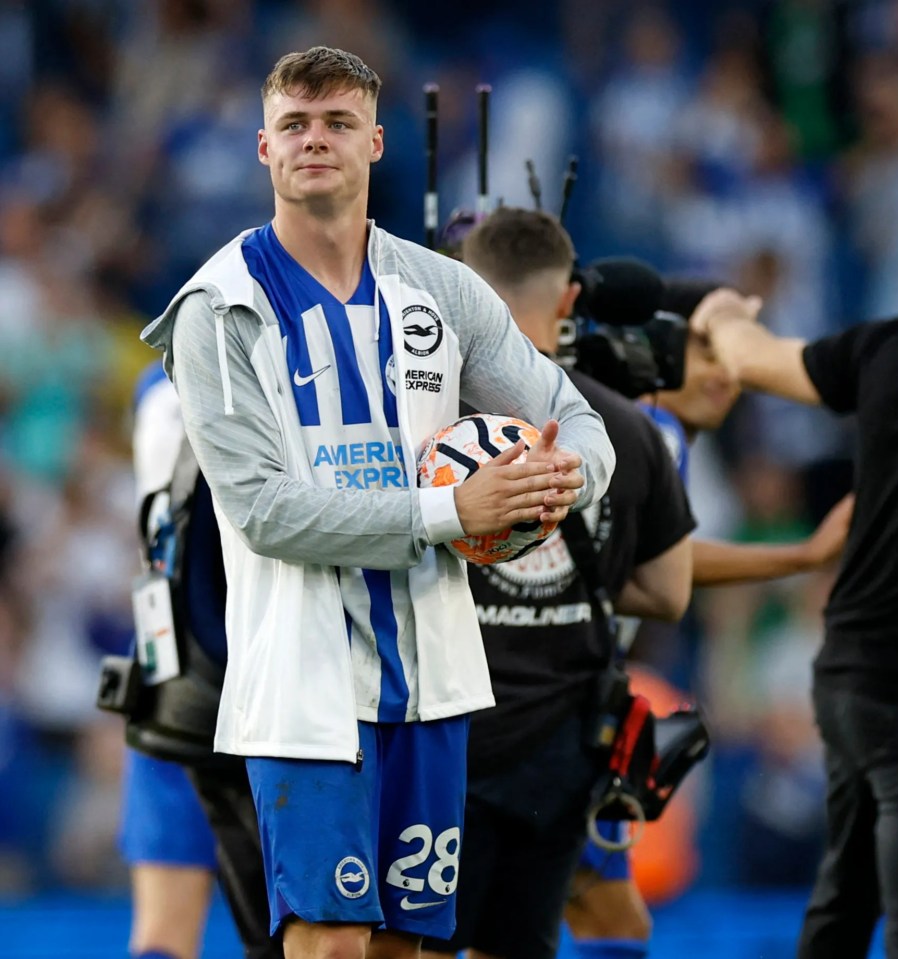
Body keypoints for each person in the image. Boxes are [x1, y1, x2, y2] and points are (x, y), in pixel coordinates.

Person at [139, 47, 614, 959]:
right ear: (264, 149)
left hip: (433, 681)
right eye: (295, 125)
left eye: (337, 123)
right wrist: (451, 513)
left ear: (377, 142)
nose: (315, 140)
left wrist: (554, 485)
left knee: (411, 948)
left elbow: (573, 420)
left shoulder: (442, 290)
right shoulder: (219, 307)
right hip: (302, 688)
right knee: (329, 937)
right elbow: (264, 511)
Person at [419, 206, 695, 959]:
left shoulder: (429, 418)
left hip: (445, 733)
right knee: (524, 944)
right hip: (564, 746)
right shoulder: (627, 429)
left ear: (463, 294)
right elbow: (670, 591)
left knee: (417, 944)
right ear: (568, 299)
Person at [563, 278, 853, 958]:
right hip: (541, 704)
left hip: (568, 703)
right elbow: (653, 571)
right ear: (650, 349)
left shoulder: (669, 436)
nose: (727, 370)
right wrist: (801, 555)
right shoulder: (647, 428)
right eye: (706, 346)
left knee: (605, 921)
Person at [688, 288, 898, 959]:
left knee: (849, 896)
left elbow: (756, 360)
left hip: (862, 673)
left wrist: (721, 317)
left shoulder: (886, 349)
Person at [119, 362, 218, 959]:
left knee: (162, 938)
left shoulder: (154, 385)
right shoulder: (299, 369)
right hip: (276, 673)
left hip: (164, 665)